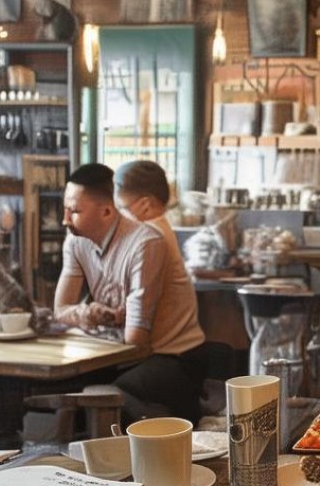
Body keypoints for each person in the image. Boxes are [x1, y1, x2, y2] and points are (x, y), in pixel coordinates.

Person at [53, 163, 208, 423]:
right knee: (66, 388)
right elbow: (61, 310)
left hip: (171, 357)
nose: (65, 219)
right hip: (131, 353)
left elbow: (136, 340)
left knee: (104, 396)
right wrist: (89, 313)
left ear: (107, 210)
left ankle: (147, 453)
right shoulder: (76, 240)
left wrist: (95, 319)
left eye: (75, 211)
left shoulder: (149, 238)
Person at [113, 159, 180, 253]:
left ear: (145, 205)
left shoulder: (150, 239)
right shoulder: (158, 229)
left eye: (122, 208)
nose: (119, 215)